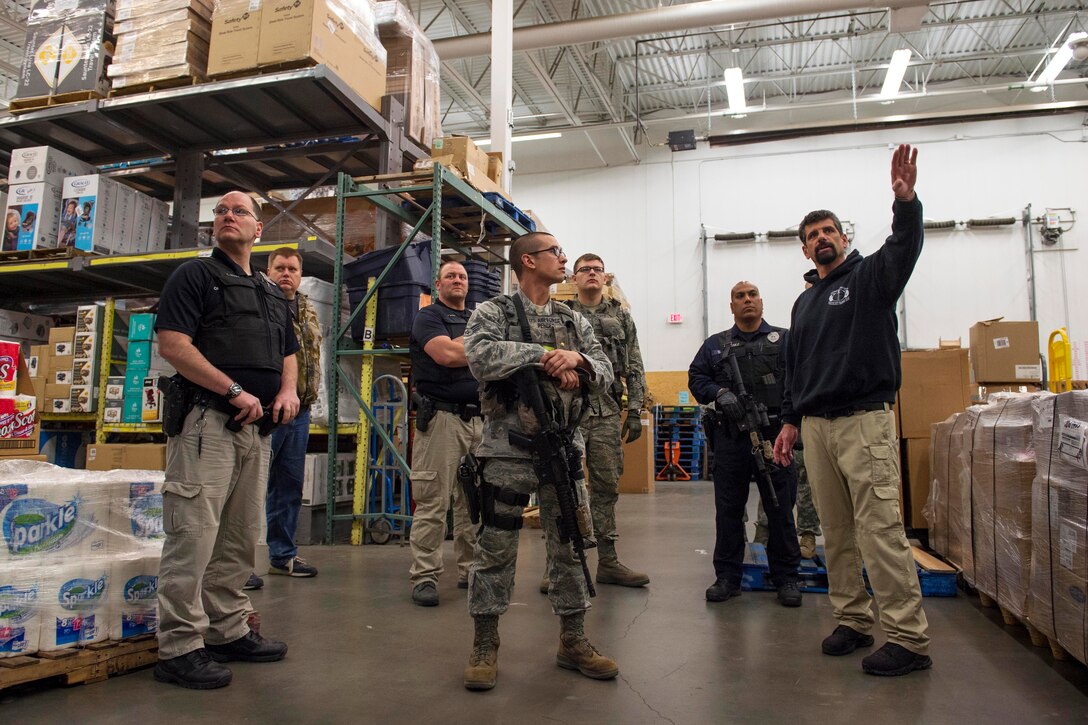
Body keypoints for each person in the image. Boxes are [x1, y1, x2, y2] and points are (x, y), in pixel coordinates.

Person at [773, 144, 932, 677]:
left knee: (879, 528)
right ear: (804, 250)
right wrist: (791, 422)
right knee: (836, 531)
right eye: (812, 235)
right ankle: (853, 620)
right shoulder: (804, 302)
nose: (821, 239)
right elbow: (797, 367)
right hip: (815, 427)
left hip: (863, 419)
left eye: (829, 231)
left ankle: (908, 638)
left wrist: (906, 202)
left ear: (844, 238)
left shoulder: (869, 279)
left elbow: (905, 247)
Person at [153, 190, 300, 690]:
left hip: (257, 432)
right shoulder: (194, 276)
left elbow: (288, 351)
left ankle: (227, 629)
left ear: (259, 230)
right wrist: (233, 390)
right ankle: (179, 647)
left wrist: (286, 390)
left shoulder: (270, 291)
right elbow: (173, 345)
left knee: (239, 538)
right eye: (220, 211)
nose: (228, 216)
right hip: (207, 423)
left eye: (239, 211)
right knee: (193, 536)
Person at [461, 232, 618, 691]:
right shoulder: (494, 312)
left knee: (569, 542)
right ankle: (485, 644)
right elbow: (479, 356)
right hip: (507, 450)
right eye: (556, 252)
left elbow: (605, 373)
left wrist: (580, 362)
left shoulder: (572, 319)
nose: (564, 257)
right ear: (528, 261)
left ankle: (573, 639)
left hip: (564, 449)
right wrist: (545, 356)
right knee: (495, 549)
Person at [689, 281, 802, 607]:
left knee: (780, 510)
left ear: (761, 302)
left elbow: (799, 379)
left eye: (752, 295)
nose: (747, 300)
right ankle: (727, 577)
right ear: (732, 306)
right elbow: (696, 378)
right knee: (728, 511)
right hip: (731, 439)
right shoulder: (716, 345)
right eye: (740, 296)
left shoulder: (783, 340)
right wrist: (720, 394)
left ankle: (787, 578)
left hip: (775, 438)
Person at [540, 253, 648, 590]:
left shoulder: (621, 318)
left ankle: (608, 560)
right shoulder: (559, 316)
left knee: (605, 486)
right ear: (574, 278)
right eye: (584, 269)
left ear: (605, 278)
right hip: (567, 412)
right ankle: (558, 565)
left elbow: (634, 364)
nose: (591, 274)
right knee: (561, 486)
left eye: (597, 270)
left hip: (605, 413)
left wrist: (635, 410)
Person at [407, 260, 483, 606]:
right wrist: (485, 343)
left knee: (475, 503)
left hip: (479, 422)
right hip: (441, 420)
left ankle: (472, 570)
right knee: (433, 500)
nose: (458, 280)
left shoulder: (475, 320)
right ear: (438, 285)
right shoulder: (428, 317)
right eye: (451, 276)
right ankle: (424, 576)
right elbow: (448, 355)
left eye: (463, 277)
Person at [263, 247, 322, 579]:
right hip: (267, 410)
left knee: (289, 485)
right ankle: (232, 566)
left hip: (299, 410)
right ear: (268, 270)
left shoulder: (306, 307)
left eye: (293, 269)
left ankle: (282, 554)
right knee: (249, 487)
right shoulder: (259, 303)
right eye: (280, 268)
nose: (287, 274)